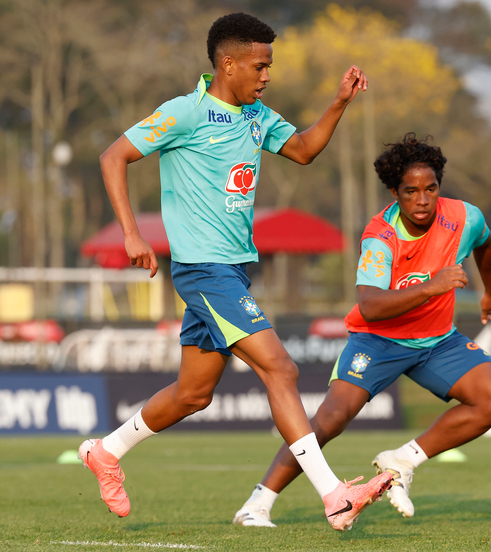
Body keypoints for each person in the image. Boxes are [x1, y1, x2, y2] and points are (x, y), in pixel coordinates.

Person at [78, 13, 391, 531]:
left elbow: (303, 150)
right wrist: (133, 234)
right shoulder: (184, 112)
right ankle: (335, 496)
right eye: (259, 66)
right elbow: (113, 157)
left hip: (233, 271)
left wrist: (338, 103)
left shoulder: (257, 115)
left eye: (269, 66)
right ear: (228, 64)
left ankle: (105, 452)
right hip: (204, 271)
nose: (267, 76)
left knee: (193, 394)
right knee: (281, 369)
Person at [233, 133, 491, 527]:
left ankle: (403, 460)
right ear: (394, 192)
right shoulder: (380, 236)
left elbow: (487, 245)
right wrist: (432, 286)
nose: (422, 200)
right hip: (379, 340)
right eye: (411, 191)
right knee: (330, 418)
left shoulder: (465, 217)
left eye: (431, 189)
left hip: (437, 340)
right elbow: (371, 306)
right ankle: (258, 503)